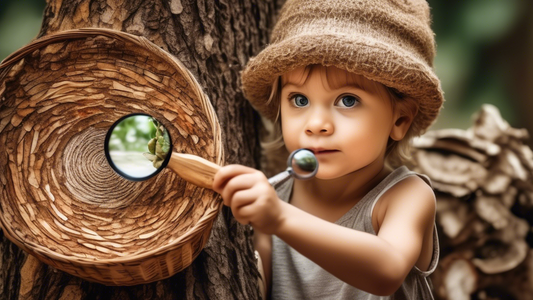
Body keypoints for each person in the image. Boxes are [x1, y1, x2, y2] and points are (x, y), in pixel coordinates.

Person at [212, 0, 444, 298]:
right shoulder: (276, 199)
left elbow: (386, 270)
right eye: (299, 100)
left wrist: (280, 219)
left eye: (348, 100)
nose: (316, 124)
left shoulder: (406, 196)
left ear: (399, 119)